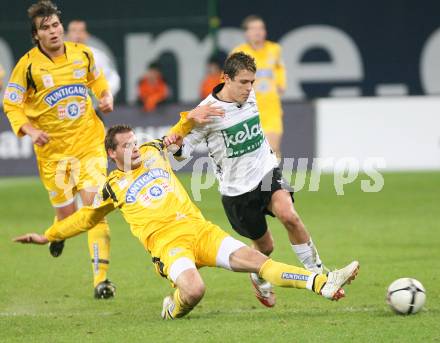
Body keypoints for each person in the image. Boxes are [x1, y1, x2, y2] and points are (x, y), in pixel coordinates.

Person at [13, 125, 360, 320]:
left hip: (199, 230)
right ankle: (173, 307)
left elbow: (179, 138)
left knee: (261, 263)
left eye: (135, 141)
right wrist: (49, 235)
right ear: (112, 154)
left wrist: (191, 120)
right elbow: (85, 218)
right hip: (168, 245)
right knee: (194, 291)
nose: (135, 148)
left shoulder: (151, 152)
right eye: (127, 146)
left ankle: (322, 283)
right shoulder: (111, 187)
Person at [165, 52, 325, 308]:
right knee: (265, 246)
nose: (249, 88)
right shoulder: (206, 113)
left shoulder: (250, 97)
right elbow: (181, 157)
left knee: (289, 215)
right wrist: (175, 143)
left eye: (252, 82)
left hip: (266, 172)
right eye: (243, 82)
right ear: (225, 79)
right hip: (237, 192)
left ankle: (321, 275)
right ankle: (258, 276)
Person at [2, 0, 115, 298]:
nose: (52, 31)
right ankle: (58, 232)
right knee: (67, 218)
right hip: (53, 155)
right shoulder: (27, 66)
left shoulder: (82, 53)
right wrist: (28, 129)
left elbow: (97, 79)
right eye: (45, 28)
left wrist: (105, 96)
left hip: (89, 144)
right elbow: (11, 104)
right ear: (36, 35)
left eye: (55, 25)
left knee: (93, 209)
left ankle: (101, 281)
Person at [231, 15, 286, 158]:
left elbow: (280, 68)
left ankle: (272, 179)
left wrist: (281, 83)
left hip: (271, 107)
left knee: (273, 147)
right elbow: (227, 78)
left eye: (261, 28)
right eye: (253, 28)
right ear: (246, 33)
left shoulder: (275, 49)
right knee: (252, 152)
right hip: (248, 108)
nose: (258, 32)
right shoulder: (239, 53)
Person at [66, 19, 121, 97]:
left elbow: (113, 78)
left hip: (93, 106)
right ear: (67, 34)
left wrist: (105, 96)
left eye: (81, 30)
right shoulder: (58, 57)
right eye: (74, 30)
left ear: (86, 34)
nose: (77, 34)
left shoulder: (97, 56)